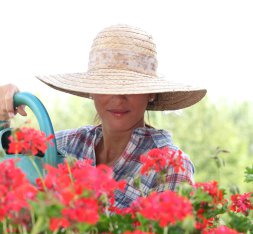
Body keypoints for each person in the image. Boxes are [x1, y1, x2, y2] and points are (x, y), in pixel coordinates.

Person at [0, 24, 207, 208]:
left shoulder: (170, 166)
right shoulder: (71, 144)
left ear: (151, 93)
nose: (118, 97)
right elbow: (7, 155)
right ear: (91, 90)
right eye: (107, 85)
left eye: (132, 87)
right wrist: (2, 111)